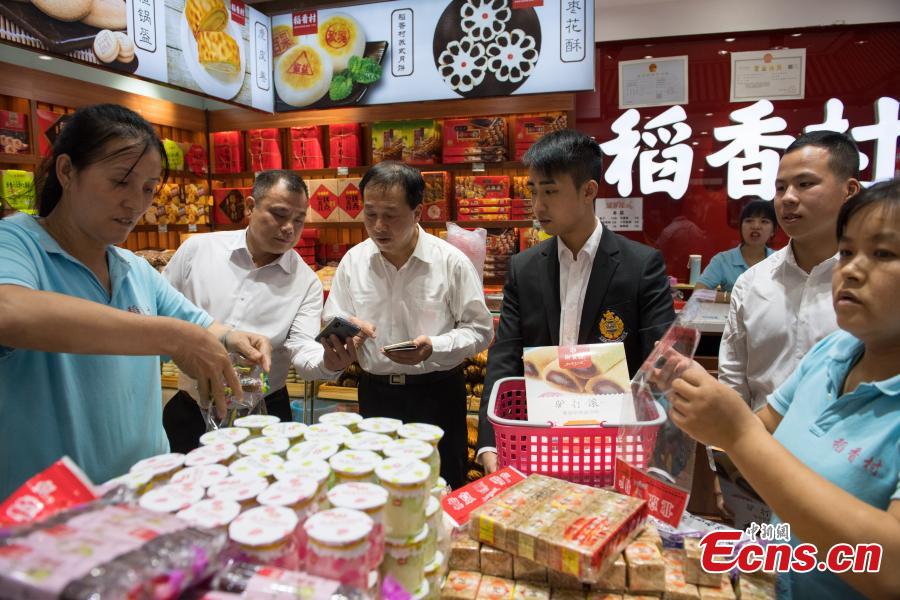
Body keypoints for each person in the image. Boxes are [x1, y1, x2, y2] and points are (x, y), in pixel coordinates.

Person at [0, 104, 271, 499]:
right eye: (120, 182)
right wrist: (172, 337)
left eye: (148, 188)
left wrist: (235, 338)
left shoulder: (133, 268)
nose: (136, 204)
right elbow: (10, 311)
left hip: (145, 494)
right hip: (51, 513)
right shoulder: (16, 241)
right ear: (67, 171)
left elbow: (204, 328)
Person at [656, 178, 900, 600]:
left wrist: (737, 434)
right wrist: (699, 399)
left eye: (882, 254)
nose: (851, 269)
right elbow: (762, 426)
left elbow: (892, 570)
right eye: (846, 252)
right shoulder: (834, 352)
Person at [476, 129, 676, 474]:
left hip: (615, 448)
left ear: (588, 191)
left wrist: (658, 454)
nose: (538, 205)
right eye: (533, 191)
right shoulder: (524, 268)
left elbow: (657, 366)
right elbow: (504, 357)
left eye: (550, 191)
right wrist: (489, 442)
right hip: (537, 440)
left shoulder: (641, 266)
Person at [322, 161, 493, 490]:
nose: (378, 225)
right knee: (378, 489)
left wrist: (434, 347)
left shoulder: (450, 262)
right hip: (376, 393)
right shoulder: (354, 261)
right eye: (370, 213)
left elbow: (481, 330)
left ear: (417, 213)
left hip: (438, 395)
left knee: (442, 487)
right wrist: (346, 330)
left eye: (391, 215)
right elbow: (332, 319)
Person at [162, 170, 359, 452]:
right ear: (250, 206)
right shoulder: (197, 251)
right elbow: (160, 313)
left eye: (299, 219)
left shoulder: (306, 282)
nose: (289, 228)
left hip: (265, 414)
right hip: (192, 410)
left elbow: (302, 349)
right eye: (279, 214)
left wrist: (330, 362)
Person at [718, 131, 861, 411]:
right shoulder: (751, 283)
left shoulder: (876, 284)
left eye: (805, 184)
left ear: (850, 191)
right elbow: (733, 384)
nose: (788, 198)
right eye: (781, 188)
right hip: (758, 436)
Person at [694, 199, 777, 294]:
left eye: (764, 221)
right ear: (740, 227)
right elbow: (698, 293)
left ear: (773, 231)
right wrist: (732, 298)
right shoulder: (723, 260)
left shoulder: (780, 260)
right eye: (749, 220)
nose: (755, 226)